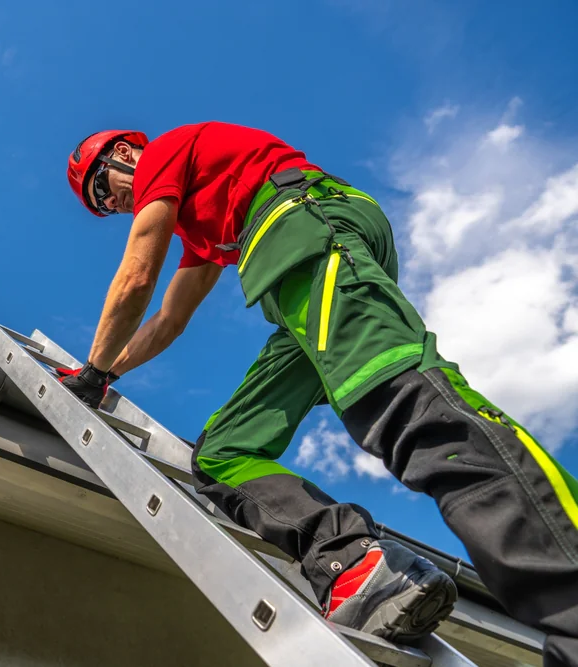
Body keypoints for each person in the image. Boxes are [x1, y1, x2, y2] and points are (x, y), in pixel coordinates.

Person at [59, 122, 578, 664]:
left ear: (123, 152)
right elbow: (168, 320)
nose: (115, 203)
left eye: (104, 187)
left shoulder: (167, 152)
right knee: (221, 453)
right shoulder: (203, 232)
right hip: (298, 261)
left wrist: (89, 372)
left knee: (399, 400)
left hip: (309, 228)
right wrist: (109, 373)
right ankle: (353, 563)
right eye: (105, 206)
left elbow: (139, 274)